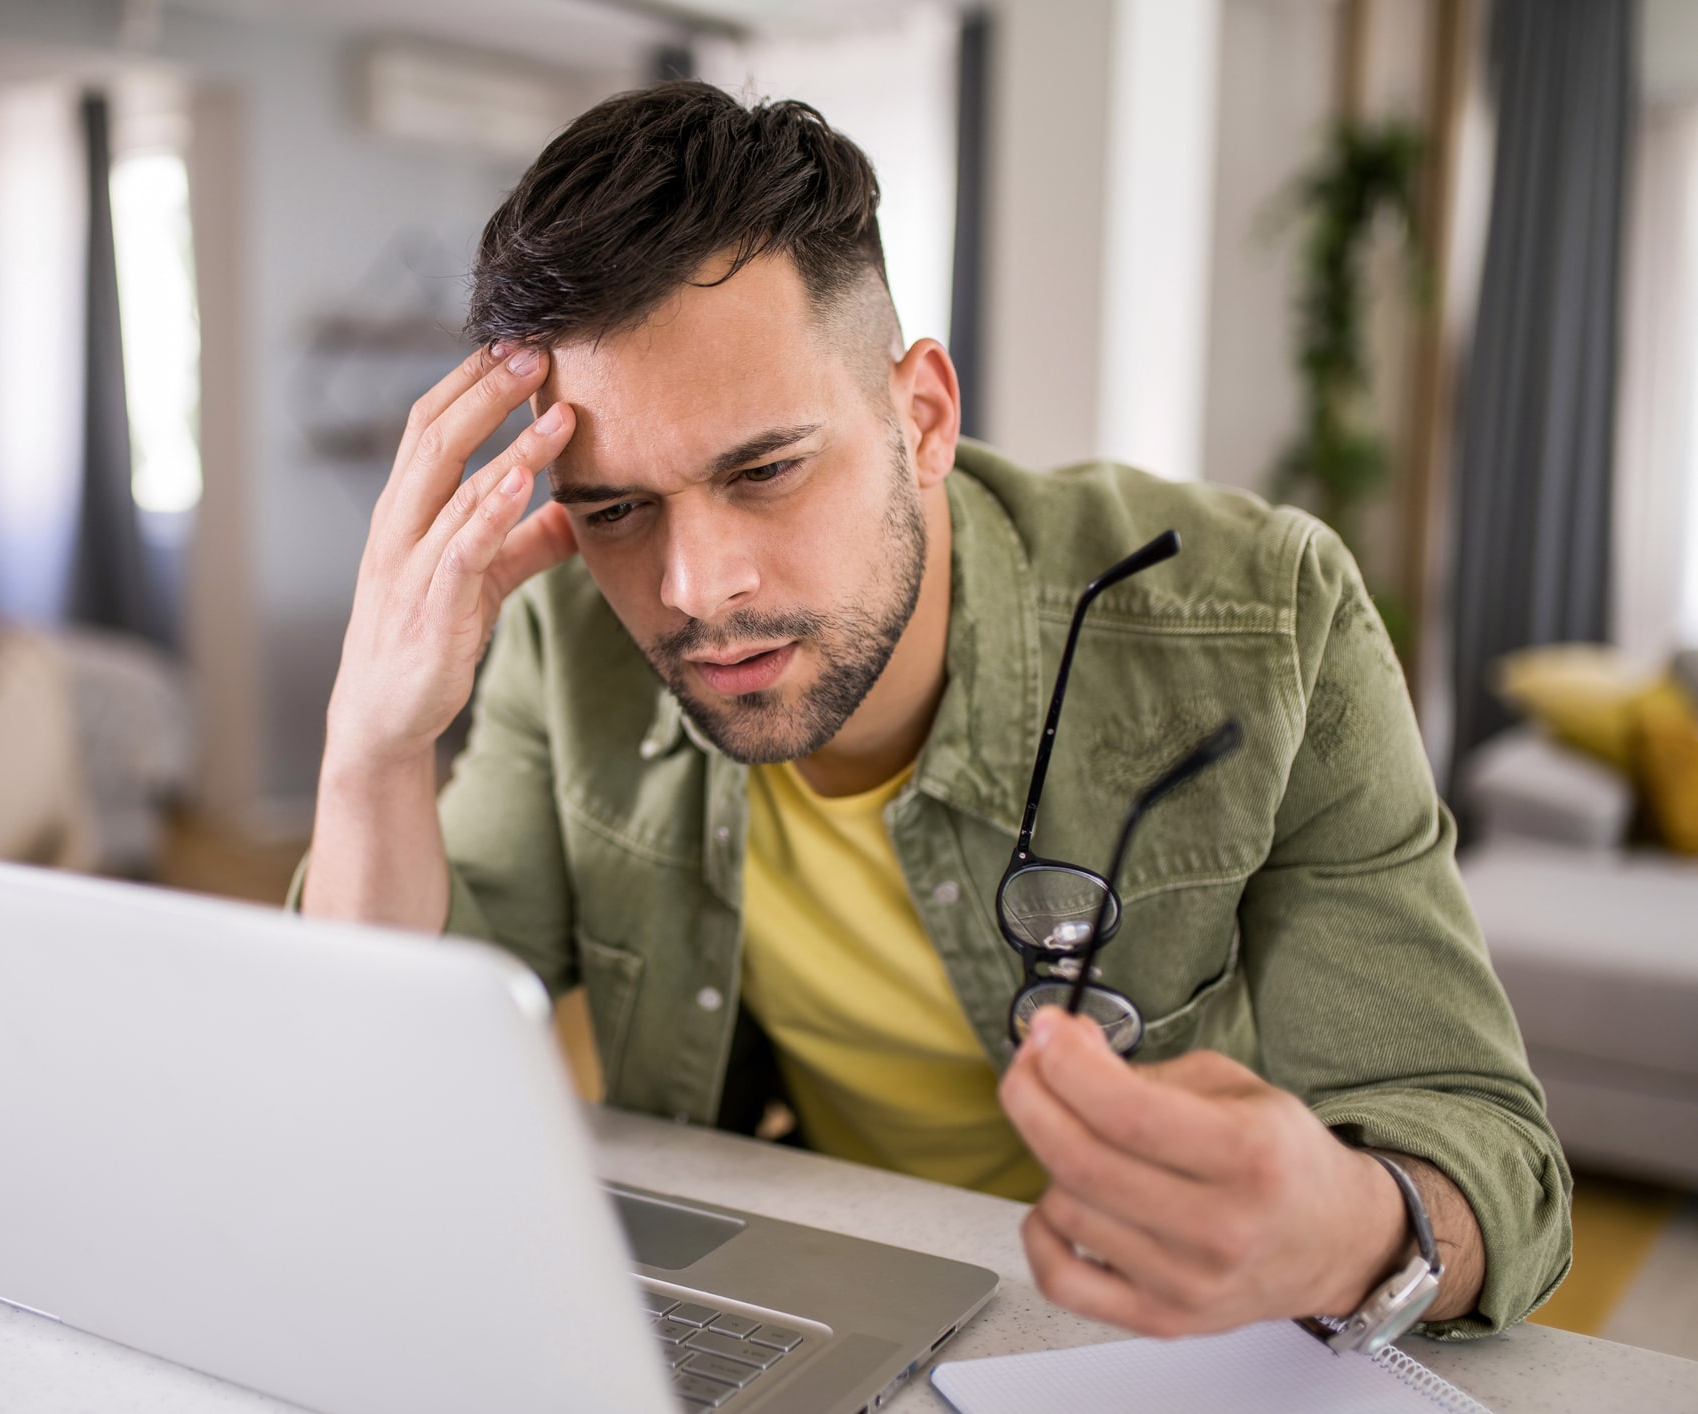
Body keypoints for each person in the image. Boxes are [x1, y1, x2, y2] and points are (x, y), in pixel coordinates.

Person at [296, 81, 1570, 1341]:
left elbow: (1488, 1149)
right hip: (825, 1302)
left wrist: (1348, 1225)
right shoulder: (562, 636)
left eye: (766, 471)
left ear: (923, 417)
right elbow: (393, 1076)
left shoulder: (1264, 621)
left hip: (1188, 1352)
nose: (694, 590)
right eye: (617, 507)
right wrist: (372, 748)